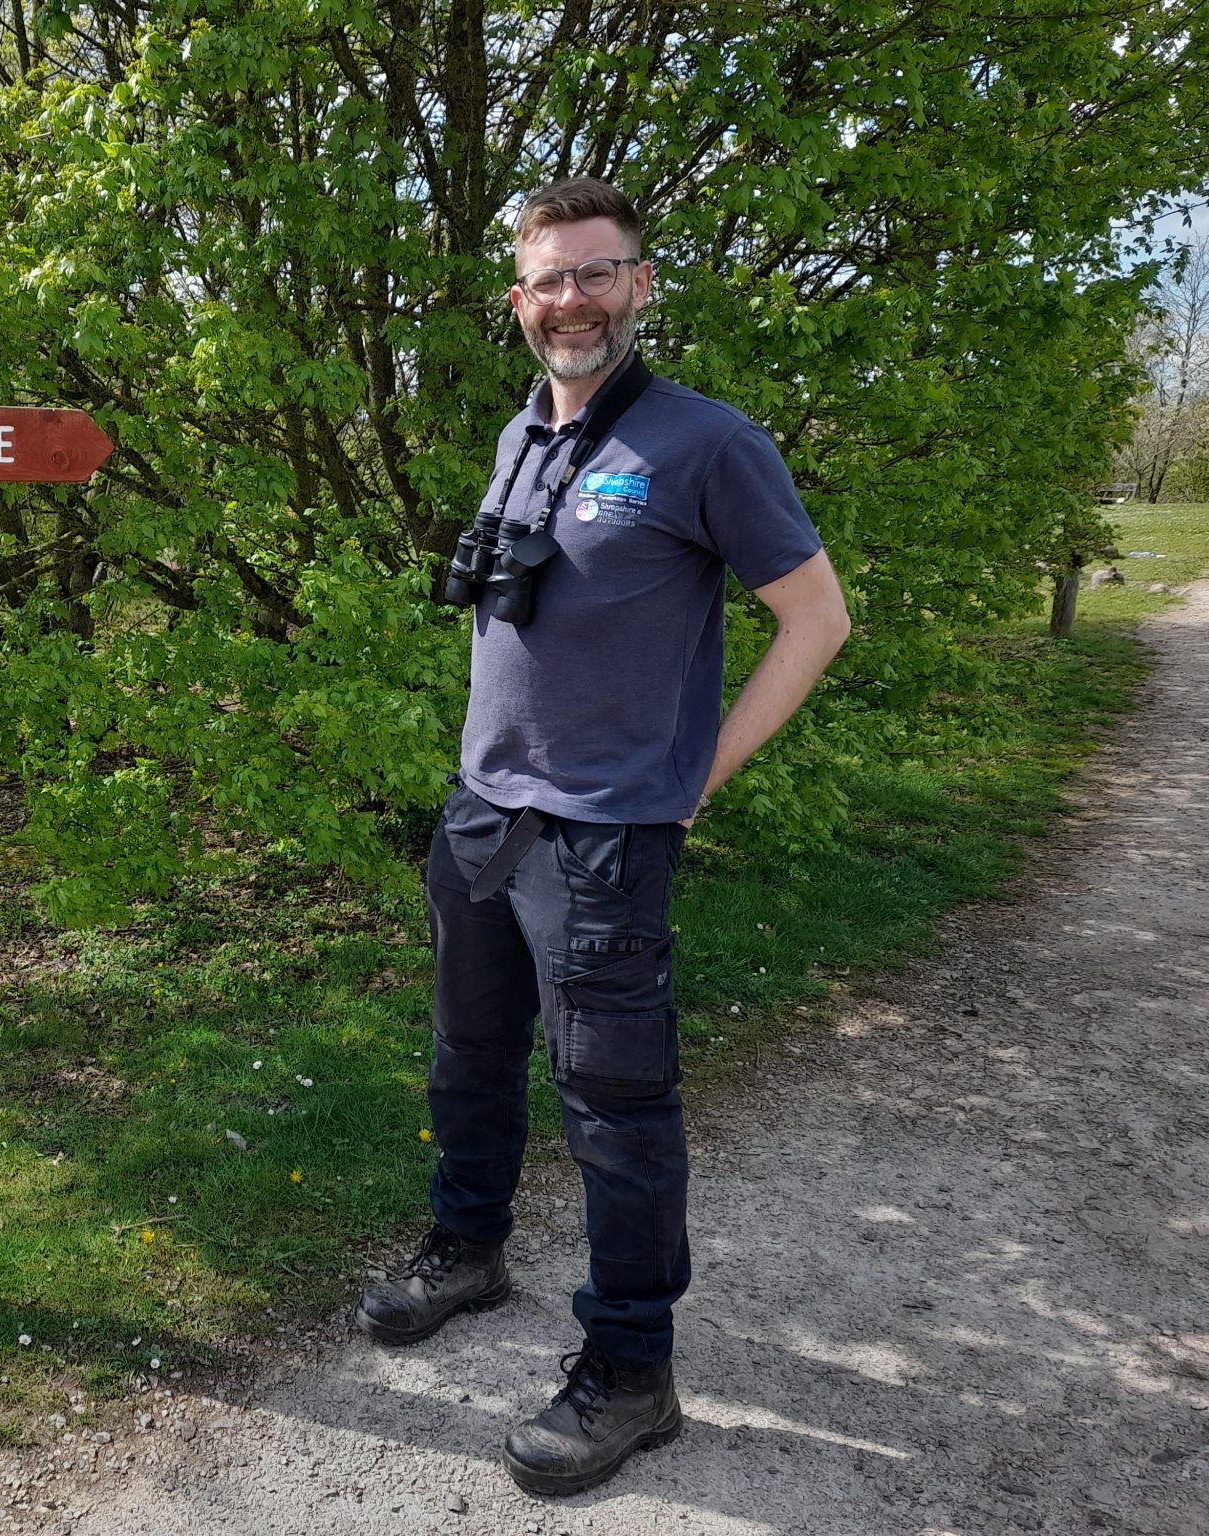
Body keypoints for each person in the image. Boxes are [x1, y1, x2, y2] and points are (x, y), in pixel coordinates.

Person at [354, 176, 851, 1497]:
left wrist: (699, 775)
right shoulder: (523, 432)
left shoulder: (706, 443)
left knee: (617, 1113)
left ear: (640, 284)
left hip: (607, 838)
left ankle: (632, 1369)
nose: (571, 298)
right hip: (483, 816)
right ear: (517, 302)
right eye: (549, 280)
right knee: (468, 1058)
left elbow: (818, 621)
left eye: (597, 272)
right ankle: (468, 1248)